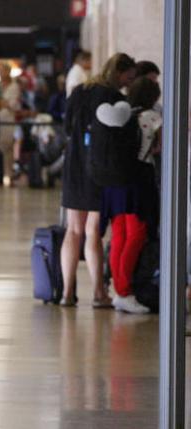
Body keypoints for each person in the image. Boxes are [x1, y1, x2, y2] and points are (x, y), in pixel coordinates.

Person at [60, 52, 137, 308]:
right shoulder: (115, 98)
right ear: (119, 72)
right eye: (129, 75)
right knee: (93, 231)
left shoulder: (80, 91)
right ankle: (98, 293)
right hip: (99, 168)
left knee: (73, 229)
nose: (130, 81)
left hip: (74, 165)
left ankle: (67, 293)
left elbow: (67, 128)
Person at [102, 77, 161, 313]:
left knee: (119, 236)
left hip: (117, 182)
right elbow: (159, 149)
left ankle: (119, 289)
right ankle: (125, 291)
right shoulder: (153, 117)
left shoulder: (124, 115)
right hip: (139, 181)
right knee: (136, 235)